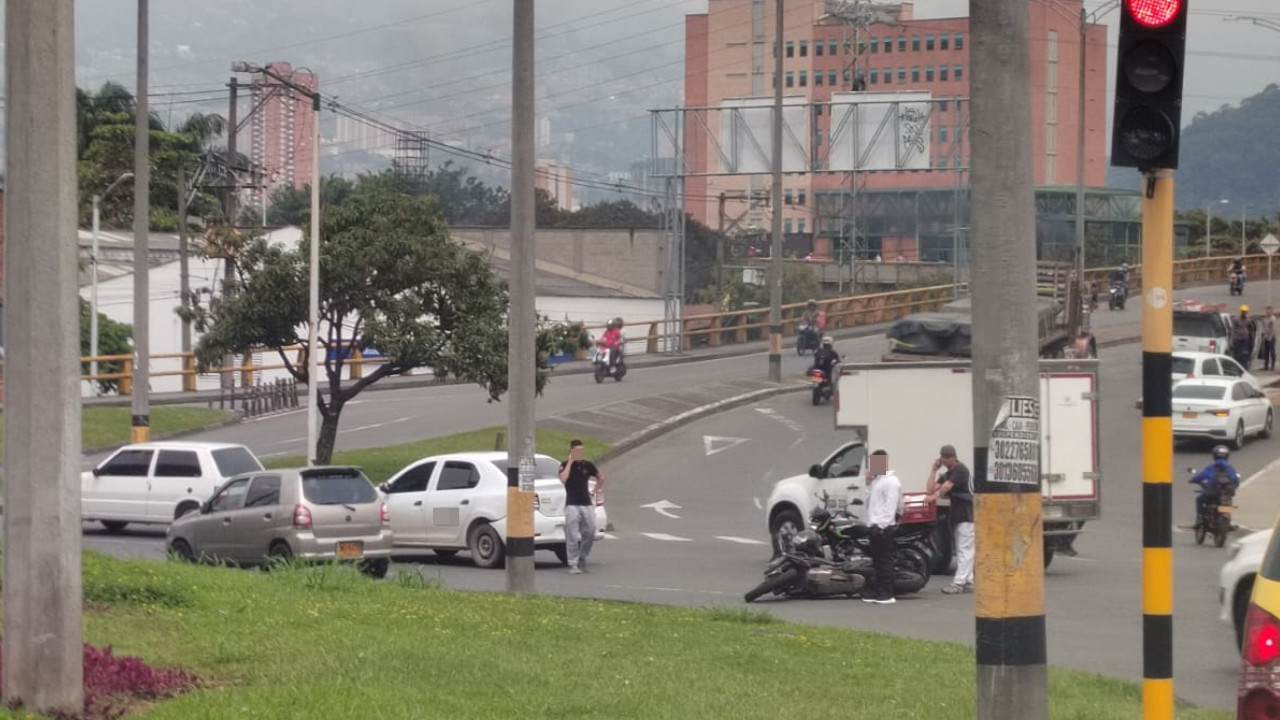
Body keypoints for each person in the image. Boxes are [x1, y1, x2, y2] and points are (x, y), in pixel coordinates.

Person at [924, 444, 973, 595]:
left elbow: (945, 487)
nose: (944, 460)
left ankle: (959, 583)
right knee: (962, 549)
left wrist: (933, 498)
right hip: (958, 515)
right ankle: (968, 581)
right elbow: (930, 489)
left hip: (967, 515)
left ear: (954, 457)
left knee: (965, 550)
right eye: (943, 457)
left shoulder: (960, 470)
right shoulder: (948, 473)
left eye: (947, 457)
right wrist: (933, 470)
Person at [862, 449, 902, 605]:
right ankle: (878, 590)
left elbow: (890, 507)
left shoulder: (891, 482)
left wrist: (882, 526)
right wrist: (868, 485)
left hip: (884, 527)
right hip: (874, 525)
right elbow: (870, 503)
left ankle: (887, 593)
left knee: (885, 561)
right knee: (877, 561)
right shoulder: (877, 481)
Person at [558, 439, 603, 574]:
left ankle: (582, 557)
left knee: (590, 530)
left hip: (586, 503)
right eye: (577, 451)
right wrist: (570, 462)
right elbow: (563, 479)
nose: (580, 453)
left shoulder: (587, 465)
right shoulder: (564, 465)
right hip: (572, 503)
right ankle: (573, 563)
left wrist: (594, 491)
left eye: (581, 451)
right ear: (571, 451)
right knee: (572, 534)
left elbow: (600, 477)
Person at [1189, 445, 1240, 525]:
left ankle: (1200, 519)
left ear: (1214, 456)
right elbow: (1236, 481)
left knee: (1199, 500)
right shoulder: (1230, 468)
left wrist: (1192, 480)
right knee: (1229, 504)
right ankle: (1228, 521)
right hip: (1227, 494)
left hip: (1212, 492)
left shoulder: (1211, 468)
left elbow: (1200, 476)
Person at [1261, 306, 1276, 372]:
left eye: (1269, 311)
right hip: (1266, 337)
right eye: (1267, 311)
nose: (1267, 312)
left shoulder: (1273, 319)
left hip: (1271, 337)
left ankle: (1272, 365)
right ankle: (1266, 365)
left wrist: (1270, 337)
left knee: (1272, 352)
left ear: (1271, 311)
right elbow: (1264, 327)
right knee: (1266, 352)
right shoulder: (1265, 319)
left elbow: (1273, 329)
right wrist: (1264, 335)